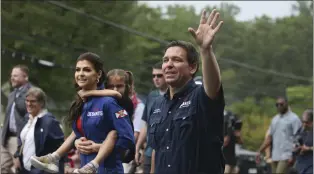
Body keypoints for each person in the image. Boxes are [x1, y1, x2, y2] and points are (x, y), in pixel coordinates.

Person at [149, 9, 225, 174]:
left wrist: (205, 50)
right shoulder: (156, 105)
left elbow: (214, 84)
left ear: (192, 67)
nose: (168, 64)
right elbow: (157, 150)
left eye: (176, 60)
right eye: (165, 60)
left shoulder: (201, 97)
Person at [31, 52, 135, 174]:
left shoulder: (109, 102)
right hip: (82, 168)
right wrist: (76, 143)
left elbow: (128, 140)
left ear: (98, 74)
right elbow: (80, 134)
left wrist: (98, 147)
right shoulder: (82, 103)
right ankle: (52, 158)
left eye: (86, 70)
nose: (81, 74)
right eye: (77, 70)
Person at [13, 87, 64, 174]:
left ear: (41, 103)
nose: (29, 104)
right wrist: (17, 156)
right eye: (27, 100)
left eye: (33, 101)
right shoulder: (26, 118)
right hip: (24, 169)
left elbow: (61, 146)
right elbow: (22, 140)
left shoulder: (49, 121)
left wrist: (64, 166)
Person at [134, 61, 167, 173]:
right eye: (154, 76)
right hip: (149, 152)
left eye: (159, 75)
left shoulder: (176, 95)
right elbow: (146, 125)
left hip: (169, 154)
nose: (156, 79)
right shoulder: (152, 96)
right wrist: (138, 147)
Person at [257, 97, 302, 174]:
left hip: (287, 155)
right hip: (275, 155)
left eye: (281, 104)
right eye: (277, 104)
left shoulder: (294, 118)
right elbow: (269, 138)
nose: (279, 106)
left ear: (286, 104)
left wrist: (293, 156)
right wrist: (259, 151)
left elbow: (299, 137)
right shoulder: (275, 119)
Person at [1, 65, 31, 173]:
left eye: (16, 76)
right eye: (11, 76)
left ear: (25, 77)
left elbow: (30, 117)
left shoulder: (31, 93)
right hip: (6, 137)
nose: (12, 78)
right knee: (2, 168)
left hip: (18, 139)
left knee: (19, 168)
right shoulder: (12, 94)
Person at [293, 109, 313, 174]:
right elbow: (294, 142)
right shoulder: (300, 130)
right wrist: (296, 148)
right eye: (303, 122)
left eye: (307, 122)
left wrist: (309, 148)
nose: (304, 124)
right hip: (300, 164)